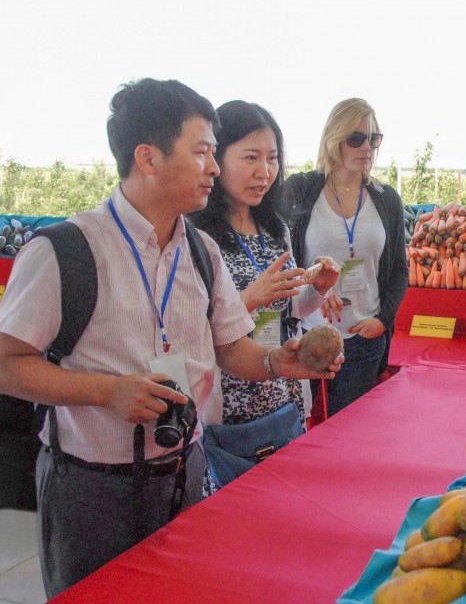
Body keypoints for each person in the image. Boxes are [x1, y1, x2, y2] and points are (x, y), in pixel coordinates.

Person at [0, 78, 341, 598]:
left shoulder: (199, 251)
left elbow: (231, 349)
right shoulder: (65, 251)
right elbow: (7, 362)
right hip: (91, 488)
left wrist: (279, 362)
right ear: (149, 158)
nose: (212, 166)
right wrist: (108, 392)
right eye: (202, 150)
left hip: (185, 470)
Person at [189, 100, 339, 492]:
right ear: (217, 157)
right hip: (229, 403)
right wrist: (249, 299)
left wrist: (316, 290)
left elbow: (288, 308)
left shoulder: (275, 228)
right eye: (251, 157)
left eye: (273, 158)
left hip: (282, 389)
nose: (265, 172)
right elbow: (189, 326)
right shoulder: (195, 235)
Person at [282, 98, 408, 418]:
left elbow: (399, 270)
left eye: (373, 138)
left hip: (363, 339)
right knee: (306, 432)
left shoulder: (386, 200)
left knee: (349, 434)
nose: (366, 147)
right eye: (356, 138)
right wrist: (313, 285)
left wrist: (384, 320)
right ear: (334, 139)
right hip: (309, 339)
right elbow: (280, 258)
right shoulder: (301, 190)